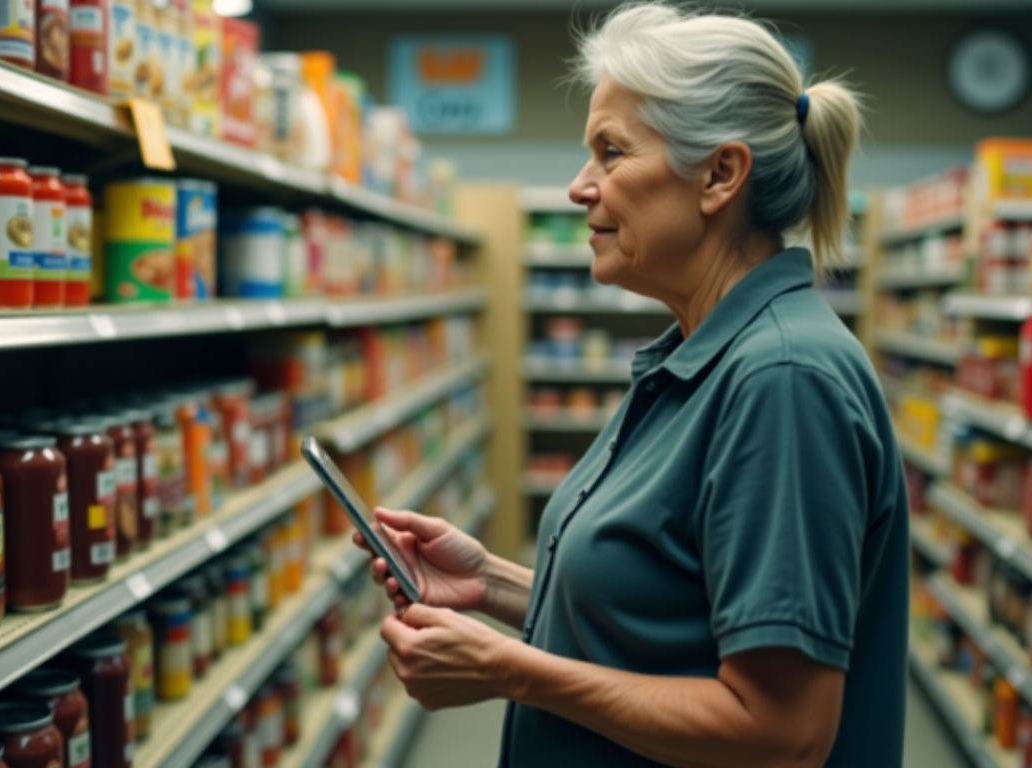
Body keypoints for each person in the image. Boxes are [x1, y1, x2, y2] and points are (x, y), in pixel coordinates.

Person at [357, 3, 909, 766]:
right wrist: (494, 584)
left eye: (611, 153)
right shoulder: (697, 355)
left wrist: (509, 671)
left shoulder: (783, 381)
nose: (581, 186)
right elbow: (667, 611)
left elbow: (781, 731)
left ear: (720, 174)